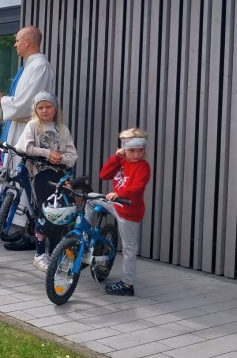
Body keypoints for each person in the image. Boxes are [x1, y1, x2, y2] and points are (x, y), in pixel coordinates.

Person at [14, 92, 78, 271]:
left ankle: (56, 251)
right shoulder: (33, 126)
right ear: (35, 110)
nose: (44, 110)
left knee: (60, 214)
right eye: (40, 107)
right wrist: (47, 154)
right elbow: (23, 147)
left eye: (48, 107)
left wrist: (62, 158)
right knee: (45, 211)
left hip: (60, 174)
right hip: (41, 174)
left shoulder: (62, 129)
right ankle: (40, 254)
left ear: (55, 108)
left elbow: (72, 156)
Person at [91, 128, 151, 297]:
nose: (136, 154)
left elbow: (138, 187)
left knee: (129, 249)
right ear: (124, 149)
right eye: (132, 150)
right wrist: (117, 157)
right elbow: (104, 175)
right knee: (90, 197)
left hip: (129, 212)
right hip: (115, 204)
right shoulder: (122, 160)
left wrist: (120, 194)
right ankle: (86, 234)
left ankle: (127, 284)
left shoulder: (143, 166)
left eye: (140, 150)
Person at [0, 25, 56, 150]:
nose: (15, 45)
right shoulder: (28, 66)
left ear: (27, 42)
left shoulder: (40, 66)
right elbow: (21, 98)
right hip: (17, 127)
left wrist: (2, 101)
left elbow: (29, 102)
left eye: (17, 41)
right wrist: (1, 99)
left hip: (27, 131)